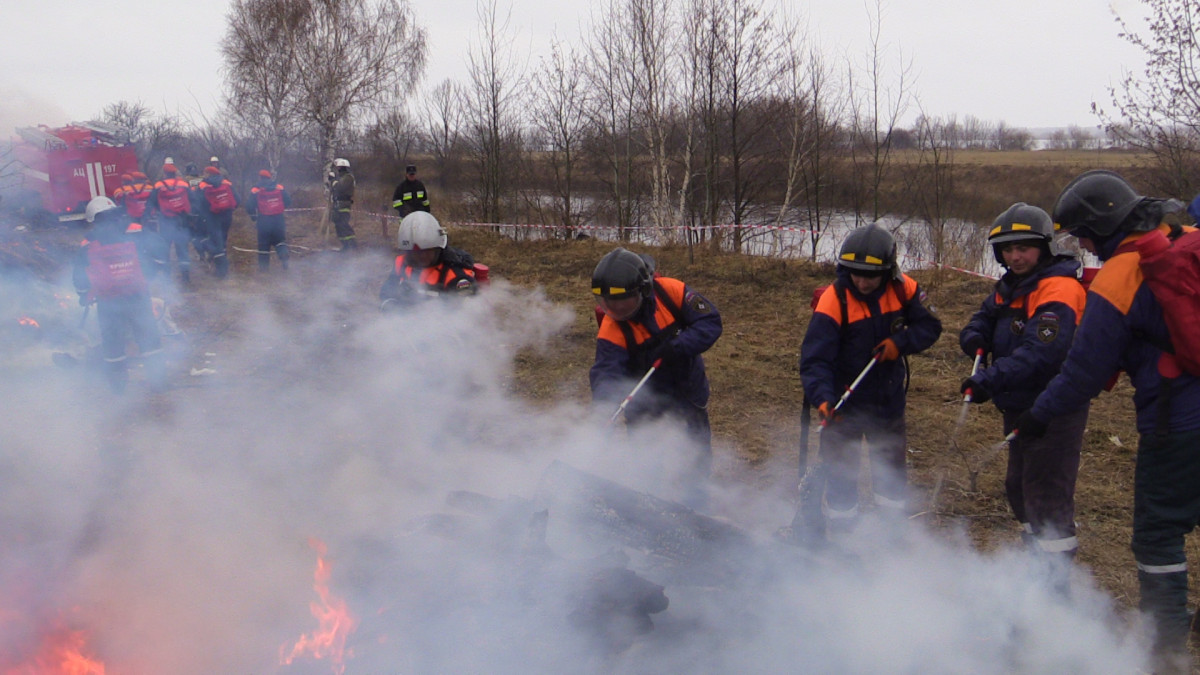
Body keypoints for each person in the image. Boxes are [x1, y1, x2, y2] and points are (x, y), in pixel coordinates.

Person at [1014, 170, 1200, 673]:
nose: (1085, 246)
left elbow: (1082, 371)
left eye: (1084, 236)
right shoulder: (1186, 241)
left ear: (1101, 229)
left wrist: (1038, 415)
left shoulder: (1123, 273)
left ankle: (1164, 653)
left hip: (1178, 423)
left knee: (1158, 535)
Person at [959, 203, 1089, 563]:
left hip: (1054, 407)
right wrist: (974, 339)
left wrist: (989, 378)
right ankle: (1036, 564)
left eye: (1023, 248)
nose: (1014, 257)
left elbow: (1041, 353)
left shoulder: (1058, 289)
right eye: (1007, 249)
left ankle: (1055, 584)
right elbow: (982, 318)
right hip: (1018, 404)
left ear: (1044, 247)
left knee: (1047, 492)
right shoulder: (1011, 287)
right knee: (1018, 487)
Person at [798, 223, 942, 536]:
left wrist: (899, 345)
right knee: (840, 473)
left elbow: (930, 327)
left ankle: (891, 534)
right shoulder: (834, 301)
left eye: (871, 275)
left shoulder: (904, 289)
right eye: (855, 273)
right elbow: (815, 360)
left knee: (889, 468)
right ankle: (843, 535)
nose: (862, 281)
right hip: (841, 402)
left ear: (888, 272)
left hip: (886, 400)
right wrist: (822, 398)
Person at [589, 247, 722, 497]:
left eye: (621, 302)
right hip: (643, 400)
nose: (615, 310)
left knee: (695, 451)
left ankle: (697, 503)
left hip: (687, 388)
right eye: (607, 303)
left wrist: (679, 347)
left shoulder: (671, 291)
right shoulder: (612, 327)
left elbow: (710, 322)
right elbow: (606, 373)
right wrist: (603, 410)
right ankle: (649, 508)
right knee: (647, 462)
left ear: (642, 290)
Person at [73, 196, 168, 393]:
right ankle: (158, 380)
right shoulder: (135, 229)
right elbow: (161, 249)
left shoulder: (87, 242)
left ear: (93, 219)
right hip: (137, 295)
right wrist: (151, 272)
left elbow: (80, 273)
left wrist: (83, 294)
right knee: (148, 336)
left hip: (108, 301)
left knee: (113, 343)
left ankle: (118, 386)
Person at [379, 211, 477, 308]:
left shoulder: (456, 275)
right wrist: (390, 306)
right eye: (416, 253)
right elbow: (386, 291)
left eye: (427, 251)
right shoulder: (401, 263)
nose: (422, 256)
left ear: (438, 248)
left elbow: (466, 314)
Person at [147, 163, 194, 284]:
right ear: (175, 173)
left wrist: (151, 215)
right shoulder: (183, 184)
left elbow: (151, 202)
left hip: (165, 221)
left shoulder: (158, 186)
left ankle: (167, 277)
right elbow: (193, 199)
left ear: (164, 173)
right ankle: (186, 277)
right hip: (182, 221)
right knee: (183, 249)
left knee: (165, 248)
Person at [194, 166, 239, 278]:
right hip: (227, 217)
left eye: (204, 173)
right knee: (222, 241)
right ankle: (220, 264)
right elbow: (237, 200)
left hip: (212, 217)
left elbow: (197, 203)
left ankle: (221, 270)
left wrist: (202, 216)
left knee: (214, 242)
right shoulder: (227, 183)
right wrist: (229, 209)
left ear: (208, 174)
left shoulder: (203, 185)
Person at [245, 169, 291, 271]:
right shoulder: (279, 187)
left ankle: (264, 269)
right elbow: (288, 201)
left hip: (263, 220)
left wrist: (253, 217)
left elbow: (249, 206)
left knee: (263, 244)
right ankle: (284, 257)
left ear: (260, 177)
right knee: (280, 240)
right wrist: (280, 210)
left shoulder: (255, 189)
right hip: (279, 219)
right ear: (270, 177)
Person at [329, 157, 357, 250]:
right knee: (338, 225)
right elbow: (334, 189)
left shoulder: (348, 177)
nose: (337, 169)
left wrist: (333, 180)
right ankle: (345, 245)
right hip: (337, 203)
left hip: (344, 204)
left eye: (338, 167)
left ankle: (352, 244)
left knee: (343, 224)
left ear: (341, 167)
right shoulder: (341, 178)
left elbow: (340, 187)